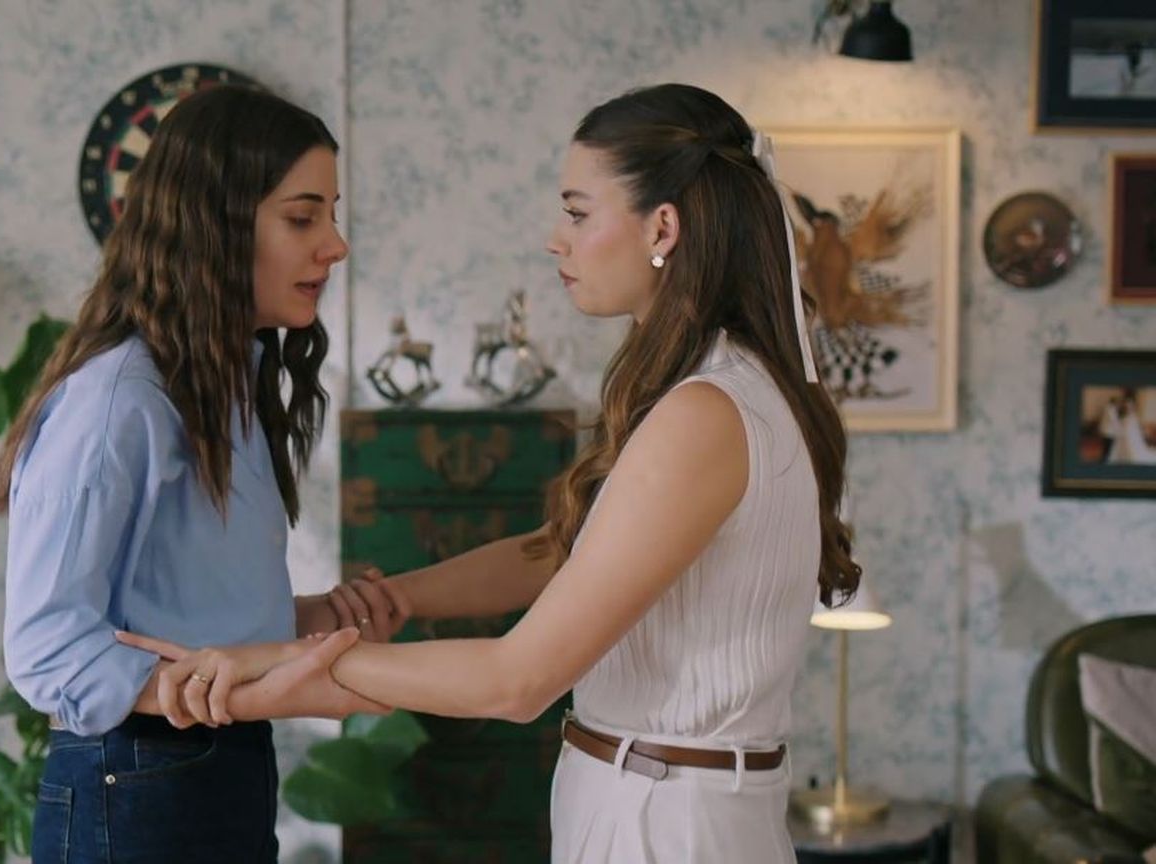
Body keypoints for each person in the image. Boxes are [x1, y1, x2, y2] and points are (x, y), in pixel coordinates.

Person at [121, 83, 864, 864]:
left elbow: (516, 680)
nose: (556, 240)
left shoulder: (703, 413)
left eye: (577, 213)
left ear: (663, 228)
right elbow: (567, 553)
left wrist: (285, 661)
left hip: (664, 821)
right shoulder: (722, 385)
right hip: (659, 799)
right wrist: (398, 599)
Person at [0, 85, 409, 864]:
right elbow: (49, 647)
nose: (335, 245)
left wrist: (309, 621)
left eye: (331, 215)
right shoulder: (120, 400)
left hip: (212, 769)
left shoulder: (223, 385)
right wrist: (251, 686)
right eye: (303, 218)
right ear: (213, 224)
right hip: (135, 781)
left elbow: (180, 612)